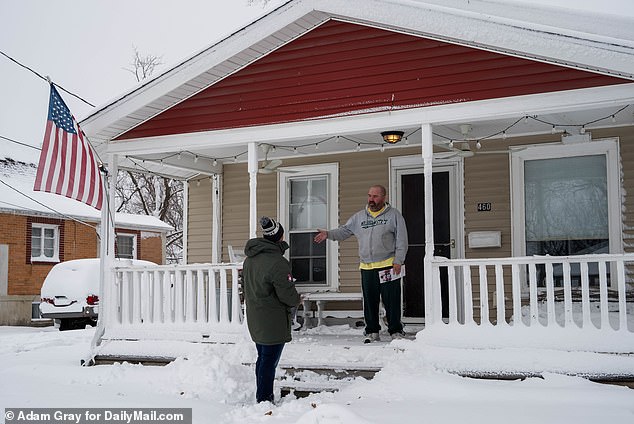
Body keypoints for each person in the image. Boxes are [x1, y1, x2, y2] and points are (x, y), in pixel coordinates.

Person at [314, 185, 408, 343]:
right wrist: (328, 234)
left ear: (384, 198)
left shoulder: (394, 215)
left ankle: (395, 330)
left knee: (391, 300)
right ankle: (372, 331)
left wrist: (398, 260)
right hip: (367, 267)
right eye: (370, 195)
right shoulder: (359, 217)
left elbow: (402, 239)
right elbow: (344, 231)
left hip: (388, 266)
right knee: (369, 301)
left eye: (375, 196)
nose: (371, 199)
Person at [242, 216, 300, 403]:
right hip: (272, 321)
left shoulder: (250, 260)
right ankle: (264, 399)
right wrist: (297, 298)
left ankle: (262, 395)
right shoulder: (278, 263)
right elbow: (287, 296)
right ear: (280, 237)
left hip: (256, 317)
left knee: (262, 358)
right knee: (269, 362)